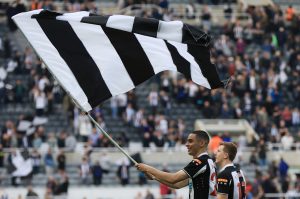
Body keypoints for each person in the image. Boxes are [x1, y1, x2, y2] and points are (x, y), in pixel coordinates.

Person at [136, 130, 217, 199]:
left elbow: (173, 178)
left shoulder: (200, 162)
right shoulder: (208, 161)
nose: (187, 144)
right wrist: (154, 177)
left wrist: (147, 168)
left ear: (201, 143)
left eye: (190, 141)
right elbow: (178, 185)